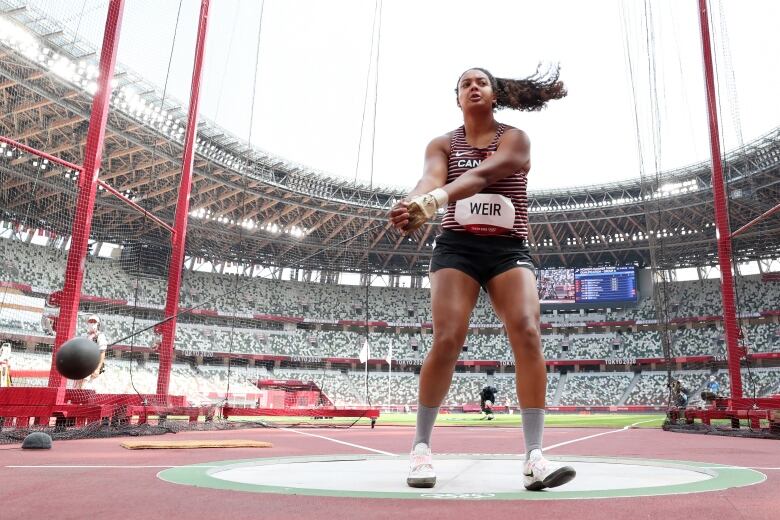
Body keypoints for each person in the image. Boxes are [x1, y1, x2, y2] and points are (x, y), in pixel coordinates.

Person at [389, 66, 574, 491]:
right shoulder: (442, 143)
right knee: (448, 337)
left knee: (527, 331)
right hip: (457, 246)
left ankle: (534, 457)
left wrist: (435, 199)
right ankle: (420, 449)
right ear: (457, 98)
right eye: (465, 84)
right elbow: (431, 177)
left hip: (508, 247)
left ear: (494, 95)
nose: (473, 87)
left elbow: (484, 176)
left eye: (481, 83)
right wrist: (413, 201)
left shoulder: (515, 139)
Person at [74, 315, 108, 390]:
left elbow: (102, 353)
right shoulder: (84, 335)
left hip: (93, 365)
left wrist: (97, 369)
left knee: (85, 386)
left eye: (94, 322)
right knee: (77, 386)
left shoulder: (100, 336)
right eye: (90, 321)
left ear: (98, 324)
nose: (92, 323)